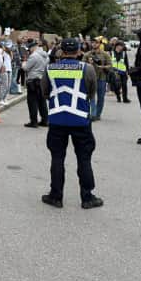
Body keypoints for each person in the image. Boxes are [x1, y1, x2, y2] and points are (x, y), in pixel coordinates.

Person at [40, 38, 103, 209]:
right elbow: (92, 92)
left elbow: (45, 91)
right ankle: (87, 197)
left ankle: (56, 196)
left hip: (57, 119)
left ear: (61, 51)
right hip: (80, 119)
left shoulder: (50, 68)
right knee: (84, 158)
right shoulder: (87, 68)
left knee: (57, 157)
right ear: (79, 51)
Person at [82, 38, 112, 121]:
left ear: (100, 44)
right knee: (91, 97)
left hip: (101, 78)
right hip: (90, 79)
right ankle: (93, 114)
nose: (94, 44)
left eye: (96, 42)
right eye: (92, 42)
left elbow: (110, 65)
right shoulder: (87, 54)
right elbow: (82, 65)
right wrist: (89, 63)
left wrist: (102, 67)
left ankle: (98, 114)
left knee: (101, 97)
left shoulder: (105, 54)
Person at [23, 40, 49, 128]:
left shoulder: (34, 56)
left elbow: (26, 68)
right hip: (42, 80)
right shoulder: (45, 55)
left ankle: (33, 121)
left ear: (33, 47)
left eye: (29, 49)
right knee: (42, 101)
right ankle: (45, 120)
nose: (29, 50)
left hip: (33, 80)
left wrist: (24, 62)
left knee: (32, 101)